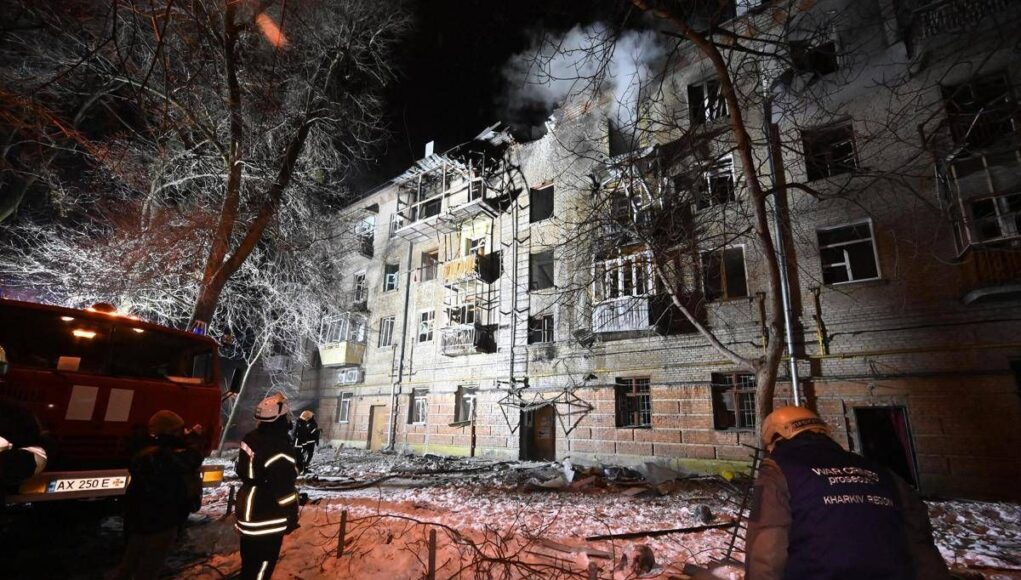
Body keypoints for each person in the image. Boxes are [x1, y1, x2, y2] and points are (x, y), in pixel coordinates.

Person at [744, 406, 950, 580]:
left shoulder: (778, 470)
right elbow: (920, 544)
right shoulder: (881, 472)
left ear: (777, 438)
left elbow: (766, 550)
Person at [115, 410, 204, 580]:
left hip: (139, 519)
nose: (183, 433)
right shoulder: (161, 457)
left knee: (131, 561)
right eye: (180, 430)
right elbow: (191, 459)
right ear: (170, 432)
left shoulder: (144, 450)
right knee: (149, 567)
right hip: (160, 522)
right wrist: (193, 441)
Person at [235, 393, 300, 580]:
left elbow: (246, 468)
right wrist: (292, 514)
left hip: (247, 507)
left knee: (249, 564)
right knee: (262, 568)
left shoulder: (251, 438)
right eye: (285, 416)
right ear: (279, 419)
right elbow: (284, 488)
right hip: (266, 514)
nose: (288, 420)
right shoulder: (278, 447)